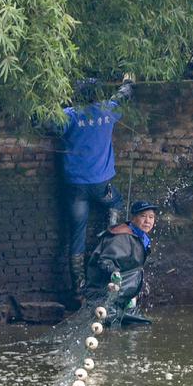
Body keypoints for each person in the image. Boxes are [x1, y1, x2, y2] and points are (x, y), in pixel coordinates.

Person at [58, 74, 135, 299]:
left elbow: (44, 121)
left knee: (76, 234)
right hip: (101, 184)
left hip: (75, 186)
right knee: (116, 202)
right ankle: (108, 239)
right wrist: (128, 81)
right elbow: (123, 96)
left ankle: (79, 289)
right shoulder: (107, 111)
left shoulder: (69, 116)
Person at [84, 200, 158, 326]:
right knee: (120, 326)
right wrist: (114, 274)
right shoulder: (122, 236)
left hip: (125, 296)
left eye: (151, 217)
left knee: (140, 326)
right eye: (143, 216)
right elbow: (105, 261)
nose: (147, 221)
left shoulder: (141, 236)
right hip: (106, 294)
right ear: (133, 218)